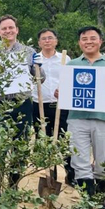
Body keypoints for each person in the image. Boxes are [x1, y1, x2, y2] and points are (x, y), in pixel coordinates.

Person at [65, 26, 105, 209]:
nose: (88, 42)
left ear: (100, 41)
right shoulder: (72, 64)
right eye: (84, 39)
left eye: (93, 38)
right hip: (77, 119)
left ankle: (101, 199)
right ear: (79, 43)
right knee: (79, 161)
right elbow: (67, 91)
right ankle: (87, 201)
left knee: (103, 161)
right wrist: (62, 93)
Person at [0, 14, 44, 200]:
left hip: (22, 103)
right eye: (4, 28)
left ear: (17, 30)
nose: (8, 31)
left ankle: (13, 185)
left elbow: (40, 79)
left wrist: (37, 68)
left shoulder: (28, 51)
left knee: (20, 146)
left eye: (11, 27)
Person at [33, 28, 72, 184]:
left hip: (60, 105)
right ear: (39, 43)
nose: (47, 41)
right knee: (43, 138)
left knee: (64, 139)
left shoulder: (65, 59)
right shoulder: (34, 59)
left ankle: (70, 174)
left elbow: (71, 80)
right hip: (39, 104)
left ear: (56, 41)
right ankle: (50, 174)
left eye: (50, 38)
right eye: (43, 38)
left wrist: (65, 90)